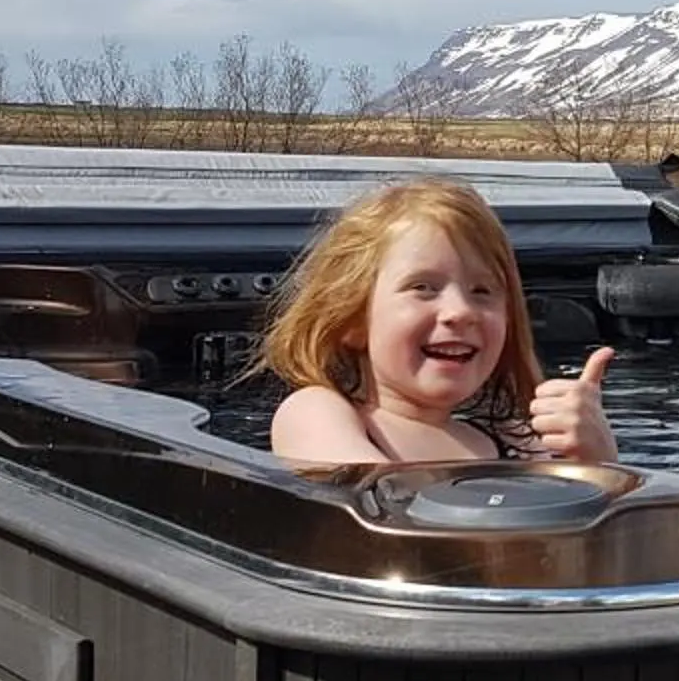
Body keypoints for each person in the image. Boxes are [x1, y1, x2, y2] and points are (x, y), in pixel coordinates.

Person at [258, 178, 619, 466]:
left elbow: (592, 543)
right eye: (423, 288)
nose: (460, 311)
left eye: (482, 291)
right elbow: (378, 509)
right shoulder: (316, 412)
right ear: (353, 320)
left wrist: (597, 461)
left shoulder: (514, 441)